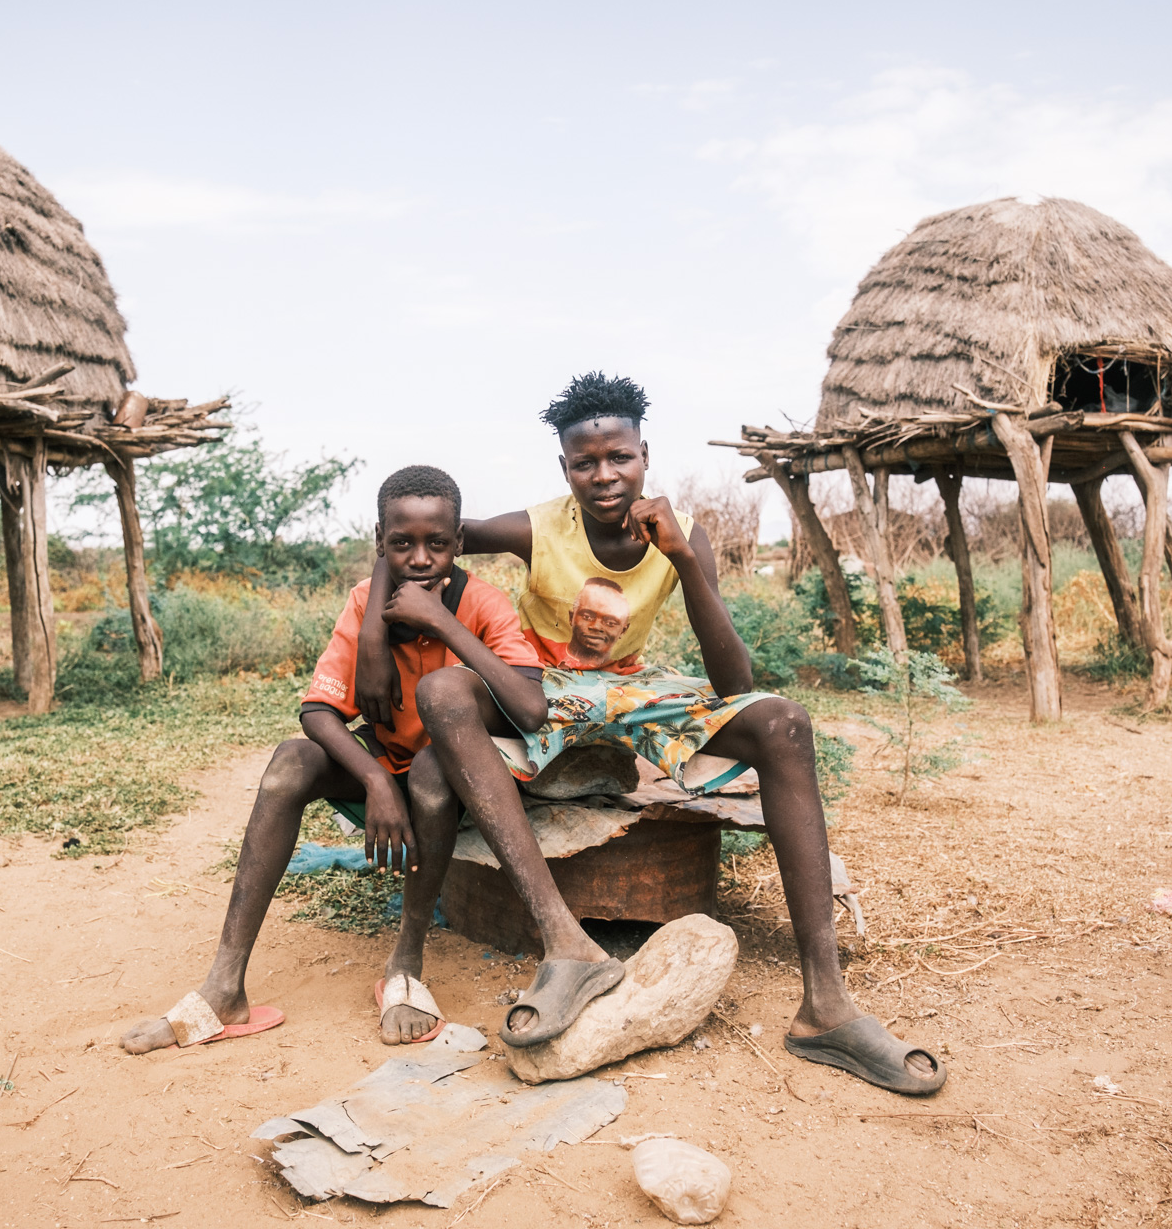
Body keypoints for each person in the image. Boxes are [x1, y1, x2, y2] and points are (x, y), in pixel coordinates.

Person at [354, 374, 946, 1095]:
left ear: (644, 456)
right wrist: (375, 644)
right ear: (564, 469)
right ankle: (568, 944)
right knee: (446, 689)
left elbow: (733, 681)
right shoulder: (538, 527)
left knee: (783, 719)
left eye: (620, 458)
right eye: (584, 463)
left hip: (637, 688)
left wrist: (686, 558)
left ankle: (826, 1004)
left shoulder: (682, 533)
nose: (604, 475)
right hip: (545, 690)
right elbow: (422, 540)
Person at [121, 465, 546, 1053]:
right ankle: (224, 985)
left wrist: (439, 621)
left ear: (458, 543)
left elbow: (530, 707)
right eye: (402, 543)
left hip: (457, 780)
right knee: (291, 762)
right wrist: (373, 779)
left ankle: (406, 962)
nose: (420, 558)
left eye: (437, 544)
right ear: (380, 542)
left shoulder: (482, 602)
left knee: (428, 770)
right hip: (388, 767)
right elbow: (317, 712)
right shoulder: (363, 603)